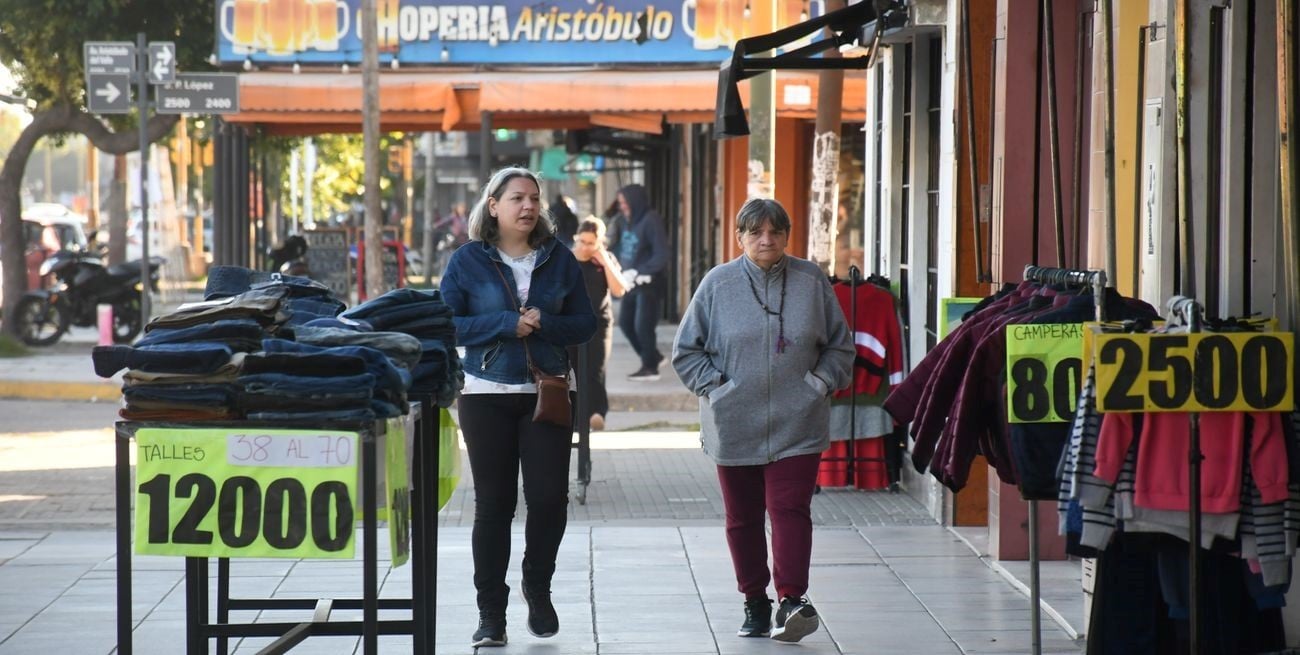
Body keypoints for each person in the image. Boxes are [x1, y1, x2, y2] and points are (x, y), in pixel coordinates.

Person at [671, 198, 854, 643]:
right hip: (733, 423)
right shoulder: (717, 284)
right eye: (755, 232)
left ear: (787, 236)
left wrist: (817, 385)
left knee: (790, 509)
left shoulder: (811, 281)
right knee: (743, 517)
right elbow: (685, 351)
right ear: (740, 237)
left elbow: (840, 348)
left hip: (798, 422)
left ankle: (793, 599)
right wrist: (719, 390)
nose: (765, 240)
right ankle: (755, 601)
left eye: (775, 232)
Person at [439, 167, 597, 647]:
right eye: (516, 198)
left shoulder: (560, 259)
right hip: (485, 393)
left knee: (550, 499)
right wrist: (506, 323)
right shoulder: (467, 261)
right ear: (493, 205)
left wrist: (545, 322)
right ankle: (491, 614)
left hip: (547, 392)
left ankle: (537, 584)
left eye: (534, 199)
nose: (528, 207)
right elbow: (447, 324)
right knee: (494, 505)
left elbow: (585, 324)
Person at [569, 216, 628, 431]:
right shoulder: (567, 258)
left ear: (599, 242)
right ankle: (575, 418)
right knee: (572, 368)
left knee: (596, 368)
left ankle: (597, 412)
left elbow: (619, 290)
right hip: (572, 323)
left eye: (590, 243)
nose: (584, 247)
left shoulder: (605, 260)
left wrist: (603, 260)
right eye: (581, 241)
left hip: (599, 323)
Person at [607, 183, 670, 380]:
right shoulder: (626, 220)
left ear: (635, 201)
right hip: (630, 283)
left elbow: (662, 254)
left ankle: (650, 367)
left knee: (643, 326)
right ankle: (653, 357)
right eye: (620, 202)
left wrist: (640, 271)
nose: (622, 206)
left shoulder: (651, 220)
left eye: (625, 202)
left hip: (648, 283)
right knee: (625, 323)